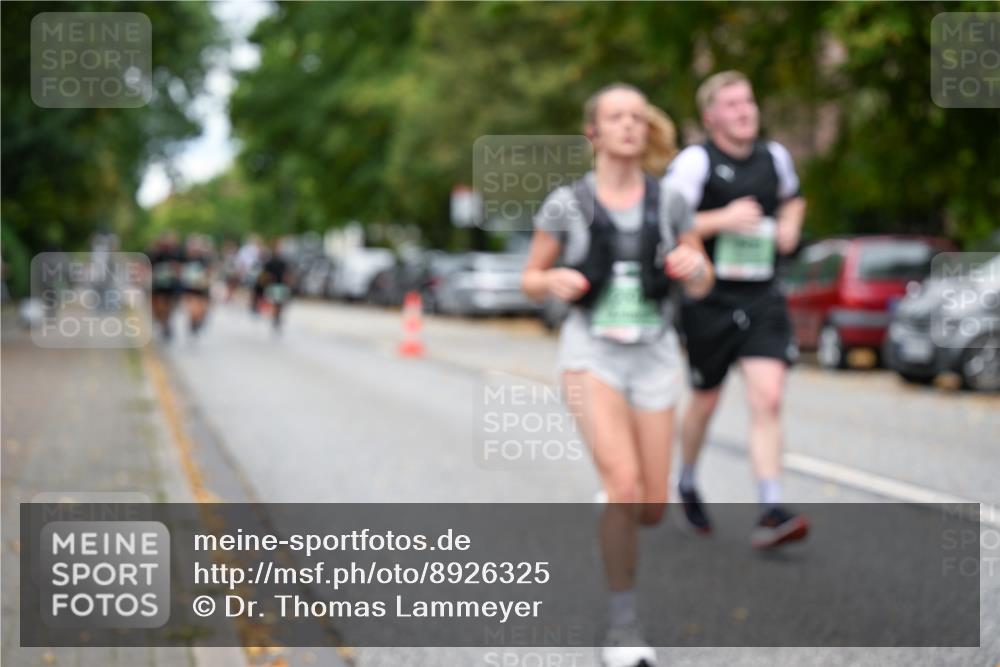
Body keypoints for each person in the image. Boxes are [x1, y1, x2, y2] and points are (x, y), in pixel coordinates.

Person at [522, 83, 713, 667]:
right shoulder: (567, 203)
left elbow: (702, 278)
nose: (629, 125)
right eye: (616, 117)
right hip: (592, 354)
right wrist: (551, 281)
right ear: (594, 132)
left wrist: (694, 265)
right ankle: (623, 629)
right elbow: (531, 278)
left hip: (654, 355)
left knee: (651, 507)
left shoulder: (670, 201)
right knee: (626, 488)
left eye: (637, 116)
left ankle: (620, 497)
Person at [662, 71, 809, 548]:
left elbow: (793, 200)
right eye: (732, 104)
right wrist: (720, 220)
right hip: (709, 299)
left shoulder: (775, 157)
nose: (745, 111)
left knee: (769, 397)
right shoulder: (695, 162)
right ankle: (687, 481)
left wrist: (789, 225)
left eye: (748, 101)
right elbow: (665, 220)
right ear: (710, 117)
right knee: (705, 400)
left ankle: (771, 509)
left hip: (762, 295)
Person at [147, 232, 183, 341]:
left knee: (168, 306)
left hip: (171, 286)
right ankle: (162, 322)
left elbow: (180, 268)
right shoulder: (154, 254)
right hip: (158, 286)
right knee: (158, 306)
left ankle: (166, 323)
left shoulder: (177, 254)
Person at [255, 239, 293, 333]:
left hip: (281, 285)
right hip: (273, 285)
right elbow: (265, 275)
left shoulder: (284, 261)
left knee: (280, 303)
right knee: (276, 302)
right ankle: (275, 318)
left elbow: (287, 274)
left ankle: (277, 317)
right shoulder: (270, 262)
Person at [181, 234, 214, 337]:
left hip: (202, 287)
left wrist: (205, 280)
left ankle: (198, 321)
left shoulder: (204, 259)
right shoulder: (184, 258)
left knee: (202, 308)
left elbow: (210, 272)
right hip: (189, 288)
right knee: (193, 308)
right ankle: (193, 322)